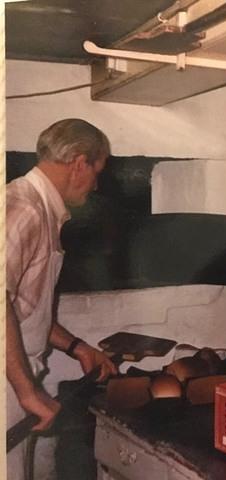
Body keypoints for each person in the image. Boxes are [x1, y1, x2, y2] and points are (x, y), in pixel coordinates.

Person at [6, 118, 118, 478]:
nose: (95, 183)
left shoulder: (40, 209)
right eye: (96, 170)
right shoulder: (23, 209)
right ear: (79, 163)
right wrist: (25, 392)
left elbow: (24, 306)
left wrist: (77, 348)